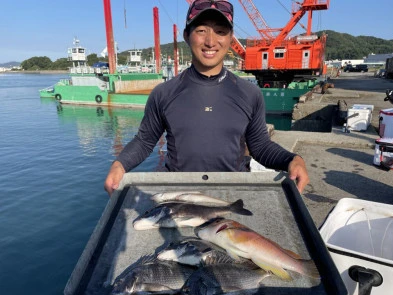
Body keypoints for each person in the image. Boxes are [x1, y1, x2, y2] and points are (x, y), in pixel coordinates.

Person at [104, 0, 309, 196]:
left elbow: (260, 146)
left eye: (220, 32)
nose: (210, 41)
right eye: (201, 31)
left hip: (233, 195)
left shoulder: (249, 93)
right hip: (179, 195)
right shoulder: (163, 93)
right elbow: (145, 141)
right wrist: (119, 164)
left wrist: (292, 160)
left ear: (230, 39)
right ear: (187, 35)